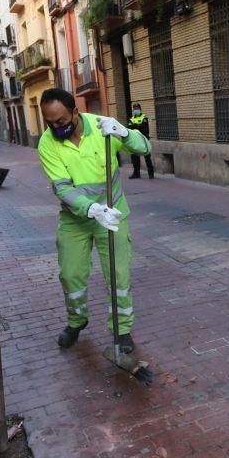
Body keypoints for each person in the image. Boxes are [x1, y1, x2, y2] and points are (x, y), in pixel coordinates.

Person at [37, 88, 151, 352]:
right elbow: (62, 187)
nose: (56, 127)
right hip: (75, 218)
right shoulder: (46, 143)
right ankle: (77, 321)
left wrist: (124, 133)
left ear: (75, 112)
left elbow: (145, 147)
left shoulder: (103, 128)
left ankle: (122, 330)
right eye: (50, 123)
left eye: (61, 121)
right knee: (70, 274)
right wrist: (92, 209)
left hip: (114, 215)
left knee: (118, 275)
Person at [127, 103, 154, 179]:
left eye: (137, 108)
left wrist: (135, 126)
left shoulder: (144, 118)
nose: (136, 110)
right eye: (135, 109)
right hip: (135, 142)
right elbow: (129, 129)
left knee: (147, 158)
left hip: (143, 141)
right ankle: (136, 173)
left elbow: (144, 129)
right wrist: (137, 126)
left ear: (140, 109)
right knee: (135, 158)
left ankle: (151, 173)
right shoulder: (131, 119)